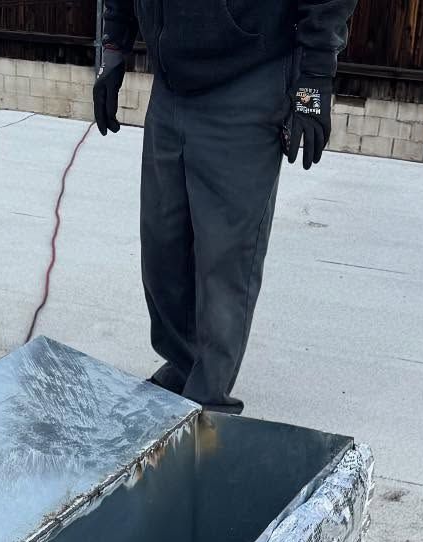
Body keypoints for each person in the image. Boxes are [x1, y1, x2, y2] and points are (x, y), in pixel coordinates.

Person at [95, 0, 359, 412]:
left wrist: (314, 78)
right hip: (171, 81)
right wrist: (114, 49)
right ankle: (182, 366)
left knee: (224, 259)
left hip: (248, 75)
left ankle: (209, 403)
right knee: (163, 249)